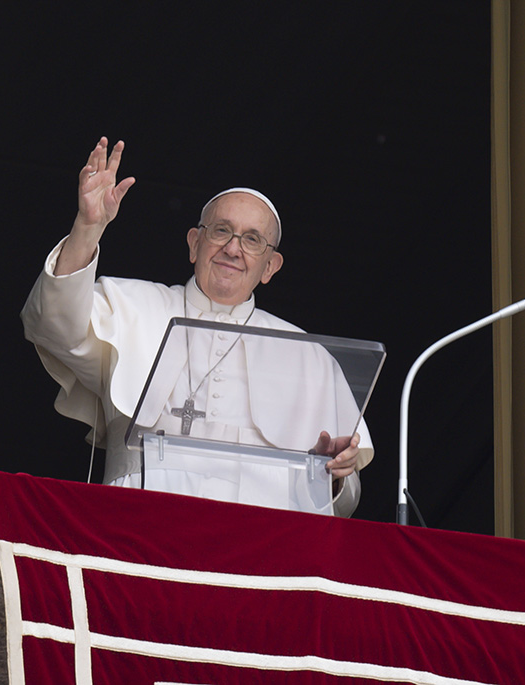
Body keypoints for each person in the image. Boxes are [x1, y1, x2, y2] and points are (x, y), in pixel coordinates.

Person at [22, 137, 372, 516]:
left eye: (253, 239)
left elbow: (346, 500)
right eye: (221, 231)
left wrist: (329, 475)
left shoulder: (309, 357)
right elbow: (51, 323)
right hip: (136, 524)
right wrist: (88, 227)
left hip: (259, 550)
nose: (233, 249)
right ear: (194, 244)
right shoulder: (130, 305)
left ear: (271, 266)